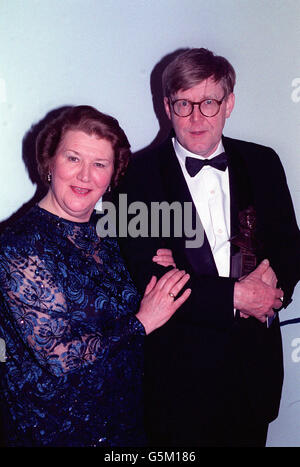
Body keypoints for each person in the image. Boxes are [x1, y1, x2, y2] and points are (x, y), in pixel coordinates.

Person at [116, 48, 300, 447]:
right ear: (167, 107)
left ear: (229, 103)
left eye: (209, 102)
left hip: (254, 376)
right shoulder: (137, 177)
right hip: (178, 384)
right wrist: (236, 295)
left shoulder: (264, 162)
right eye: (184, 103)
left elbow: (289, 245)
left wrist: (273, 285)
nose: (197, 117)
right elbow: (147, 277)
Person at [0, 105, 191, 447]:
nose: (85, 176)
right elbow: (59, 357)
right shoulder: (18, 246)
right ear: (49, 162)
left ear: (113, 174)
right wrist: (141, 322)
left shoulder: (113, 233)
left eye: (99, 164)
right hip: (54, 430)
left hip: (126, 422)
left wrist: (164, 268)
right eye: (73, 158)